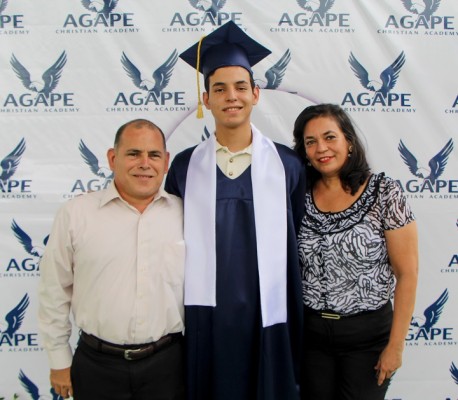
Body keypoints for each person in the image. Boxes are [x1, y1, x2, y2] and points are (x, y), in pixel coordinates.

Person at [165, 21, 306, 400]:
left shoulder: (287, 165)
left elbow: (299, 237)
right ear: (205, 100)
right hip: (207, 316)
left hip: (269, 316)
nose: (232, 96)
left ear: (256, 94)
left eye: (241, 87)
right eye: (219, 88)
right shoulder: (183, 167)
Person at [38, 119, 186, 400]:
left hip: (168, 366)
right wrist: (59, 359)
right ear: (112, 158)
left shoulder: (186, 214)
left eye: (153, 155)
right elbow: (53, 290)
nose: (144, 163)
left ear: (166, 162)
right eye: (133, 154)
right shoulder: (76, 214)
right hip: (96, 366)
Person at [292, 104, 418, 400]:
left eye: (329, 137)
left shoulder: (384, 193)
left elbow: (407, 273)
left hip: (368, 339)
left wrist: (396, 347)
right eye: (310, 142)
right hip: (312, 340)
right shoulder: (298, 195)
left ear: (348, 141)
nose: (321, 148)